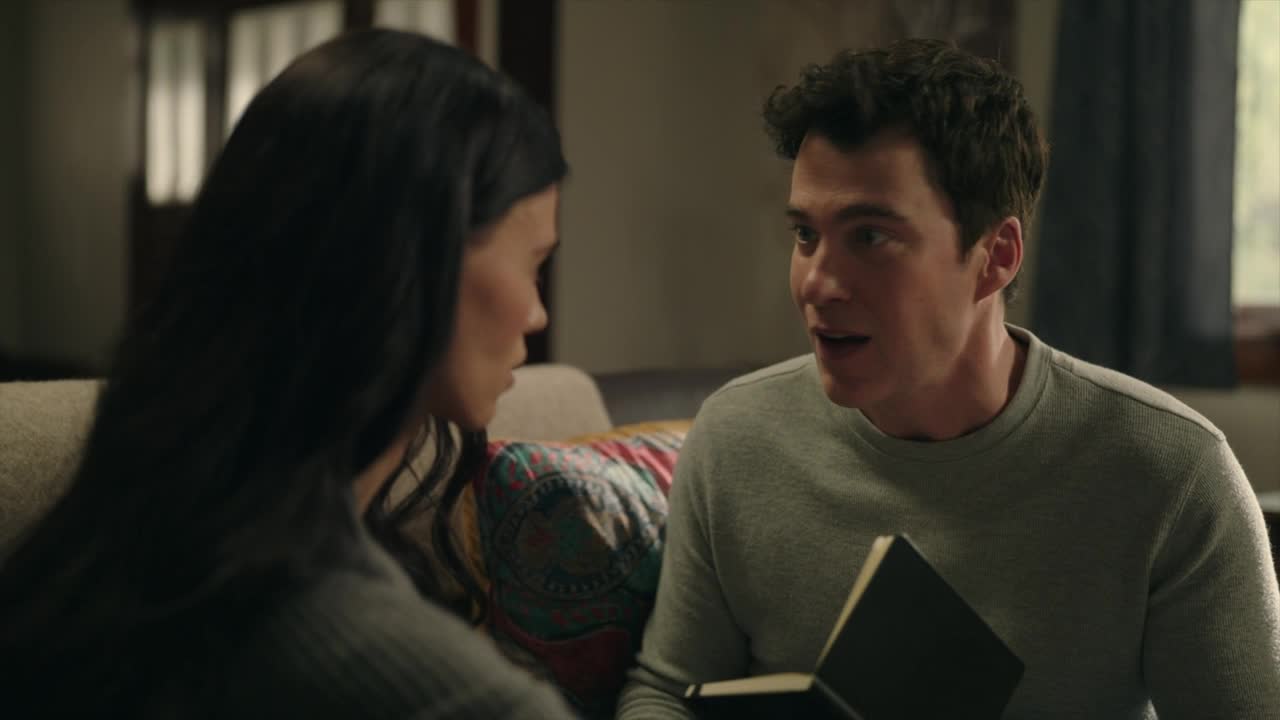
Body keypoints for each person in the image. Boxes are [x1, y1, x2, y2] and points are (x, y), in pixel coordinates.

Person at [617, 38, 1280, 719]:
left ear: (996, 256)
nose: (816, 283)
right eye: (806, 235)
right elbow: (664, 690)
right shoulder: (734, 441)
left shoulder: (1172, 475)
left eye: (869, 237)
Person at [0, 29, 578, 718]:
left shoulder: (110, 550)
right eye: (533, 263)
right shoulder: (450, 690)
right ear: (411, 262)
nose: (537, 313)